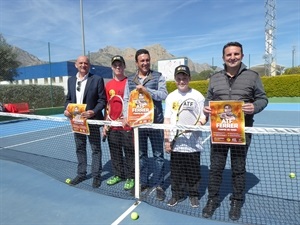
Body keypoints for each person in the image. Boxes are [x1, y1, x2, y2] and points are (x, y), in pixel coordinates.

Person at [202, 42, 268, 220]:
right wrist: (206, 107)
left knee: (239, 168)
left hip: (242, 131)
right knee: (216, 168)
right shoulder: (214, 77)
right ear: (223, 57)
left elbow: (263, 99)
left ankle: (236, 201)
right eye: (229, 55)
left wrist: (253, 107)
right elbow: (208, 98)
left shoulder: (252, 76)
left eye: (236, 54)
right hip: (219, 132)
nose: (232, 57)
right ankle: (212, 200)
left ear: (242, 56)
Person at [123, 49, 168, 201]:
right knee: (141, 155)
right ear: (137, 63)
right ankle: (143, 182)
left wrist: (146, 90)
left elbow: (163, 95)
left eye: (147, 60)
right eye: (142, 60)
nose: (145, 63)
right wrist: (126, 116)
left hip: (155, 124)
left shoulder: (158, 76)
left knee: (158, 156)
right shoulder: (129, 80)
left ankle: (160, 185)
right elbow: (126, 99)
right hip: (138, 125)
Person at [164, 65, 207, 208]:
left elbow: (203, 115)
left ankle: (193, 195)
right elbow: (167, 119)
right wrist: (167, 140)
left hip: (193, 143)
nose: (181, 81)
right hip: (176, 141)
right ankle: (176, 194)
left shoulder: (198, 96)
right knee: (176, 172)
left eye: (184, 78)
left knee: (193, 171)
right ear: (175, 79)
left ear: (189, 78)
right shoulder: (171, 97)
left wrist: (201, 122)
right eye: (179, 78)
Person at [64, 55, 106, 189]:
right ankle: (81, 173)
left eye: (86, 63)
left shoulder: (97, 79)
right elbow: (68, 99)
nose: (83, 65)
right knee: (80, 148)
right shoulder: (71, 81)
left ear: (89, 65)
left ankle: (96, 175)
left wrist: (93, 111)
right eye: (80, 63)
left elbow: (102, 100)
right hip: (77, 121)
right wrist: (67, 109)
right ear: (76, 65)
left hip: (92, 120)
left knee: (95, 149)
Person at [103, 55, 135, 190]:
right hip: (113, 126)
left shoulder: (130, 82)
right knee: (115, 152)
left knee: (129, 152)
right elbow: (107, 106)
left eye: (120, 65)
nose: (118, 67)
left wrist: (128, 119)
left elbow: (133, 103)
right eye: (115, 65)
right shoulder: (108, 85)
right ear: (112, 67)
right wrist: (106, 124)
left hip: (127, 126)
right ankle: (118, 174)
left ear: (124, 66)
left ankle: (131, 177)